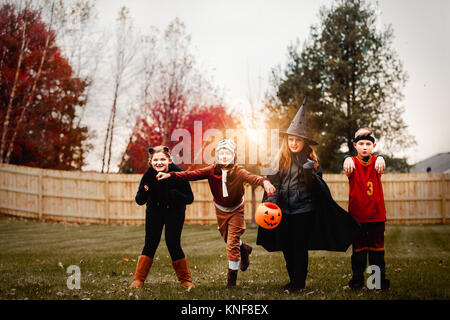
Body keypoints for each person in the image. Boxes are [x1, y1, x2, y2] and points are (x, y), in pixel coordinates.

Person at [257, 99, 361, 293]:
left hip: (304, 210)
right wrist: (271, 202)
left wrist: (308, 174)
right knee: (287, 246)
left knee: (299, 246)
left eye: (297, 140)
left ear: (304, 142)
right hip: (284, 211)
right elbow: (275, 184)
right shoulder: (280, 159)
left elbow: (318, 189)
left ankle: (298, 283)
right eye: (291, 140)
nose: (294, 143)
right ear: (286, 141)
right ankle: (293, 280)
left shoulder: (312, 161)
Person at [157, 139, 276, 287]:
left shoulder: (238, 171)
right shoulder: (211, 170)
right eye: (221, 153)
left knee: (231, 244)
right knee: (228, 239)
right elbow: (191, 175)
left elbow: (254, 178)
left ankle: (231, 281)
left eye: (228, 153)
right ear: (217, 156)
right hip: (220, 210)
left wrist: (265, 182)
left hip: (236, 209)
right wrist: (170, 175)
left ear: (233, 156)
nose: (224, 156)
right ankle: (244, 248)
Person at [130, 146, 195, 290]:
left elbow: (190, 198)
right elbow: (139, 200)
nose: (159, 162)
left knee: (173, 243)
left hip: (175, 212)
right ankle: (138, 280)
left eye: (163, 159)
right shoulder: (148, 176)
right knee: (150, 242)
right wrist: (145, 189)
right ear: (150, 162)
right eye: (156, 160)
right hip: (155, 212)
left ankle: (186, 281)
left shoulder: (178, 173)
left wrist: (173, 193)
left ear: (169, 160)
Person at [343, 128, 390, 290]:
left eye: (368, 144)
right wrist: (346, 157)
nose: (364, 147)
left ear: (373, 146)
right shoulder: (351, 162)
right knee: (359, 253)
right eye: (361, 143)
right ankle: (357, 282)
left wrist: (381, 157)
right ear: (355, 145)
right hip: (357, 217)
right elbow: (346, 162)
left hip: (376, 216)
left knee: (377, 253)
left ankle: (377, 283)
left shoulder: (377, 161)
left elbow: (381, 161)